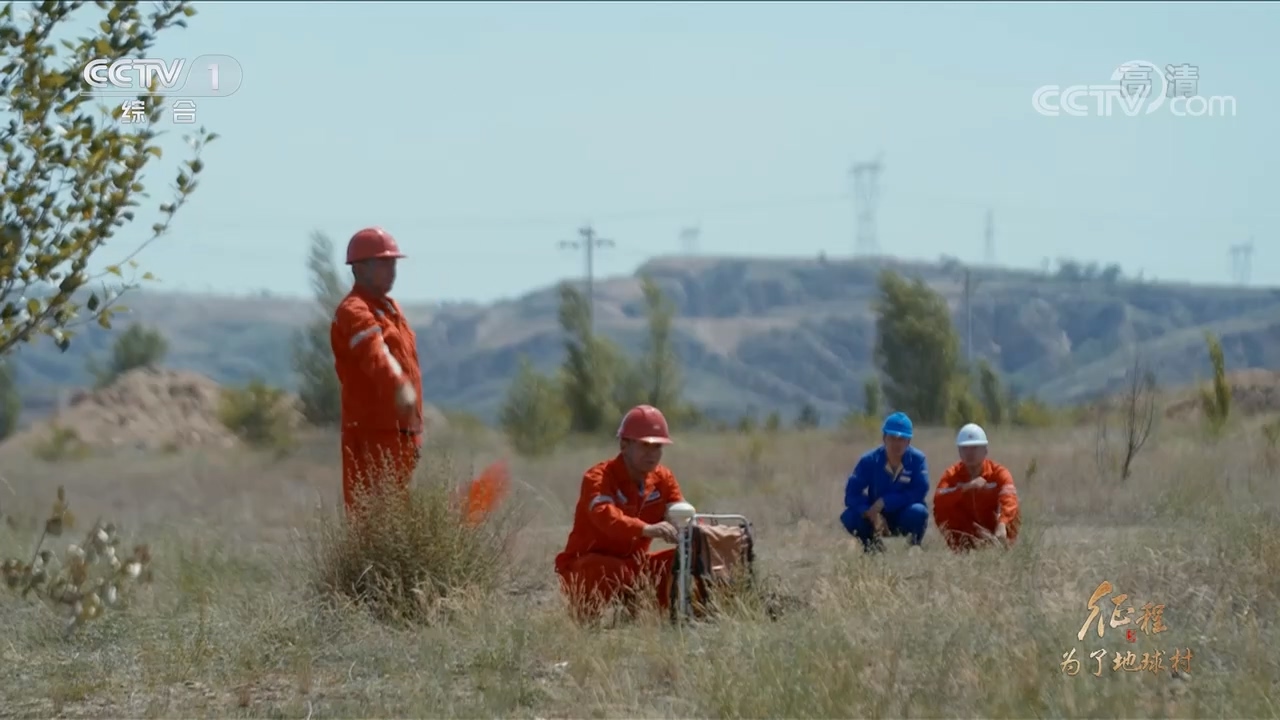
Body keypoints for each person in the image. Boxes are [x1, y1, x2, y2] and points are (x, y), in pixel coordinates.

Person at [555, 404, 687, 622]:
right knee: (602, 568)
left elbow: (680, 510)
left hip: (635, 567)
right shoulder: (598, 478)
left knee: (683, 559)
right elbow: (605, 517)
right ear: (624, 445)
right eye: (646, 445)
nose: (653, 454)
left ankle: (670, 617)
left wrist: (697, 529)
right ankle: (587, 622)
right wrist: (646, 529)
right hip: (589, 567)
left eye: (658, 447)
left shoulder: (663, 479)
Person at [330, 226, 425, 516]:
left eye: (393, 263)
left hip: (402, 432)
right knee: (371, 523)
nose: (392, 270)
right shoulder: (354, 310)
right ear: (359, 268)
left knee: (397, 521)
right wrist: (399, 385)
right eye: (384, 263)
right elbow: (375, 351)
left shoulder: (390, 308)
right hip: (372, 435)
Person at [840, 411, 930, 553]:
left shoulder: (917, 460)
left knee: (919, 512)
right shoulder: (869, 460)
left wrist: (886, 502)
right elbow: (851, 494)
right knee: (849, 516)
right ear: (884, 438)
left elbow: (920, 490)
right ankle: (873, 547)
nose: (896, 443)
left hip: (903, 514)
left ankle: (914, 546)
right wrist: (869, 512)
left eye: (902, 439)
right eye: (892, 437)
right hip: (874, 516)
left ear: (908, 441)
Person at [933, 423, 1021, 552]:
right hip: (967, 528)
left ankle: (1003, 547)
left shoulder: (998, 473)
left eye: (974, 448)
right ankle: (961, 548)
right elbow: (939, 499)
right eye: (965, 448)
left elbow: (1009, 498)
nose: (969, 453)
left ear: (985, 450)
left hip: (995, 528)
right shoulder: (951, 474)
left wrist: (1002, 523)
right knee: (941, 510)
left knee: (1014, 510)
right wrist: (965, 488)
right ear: (959, 451)